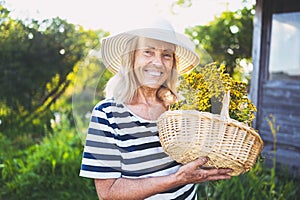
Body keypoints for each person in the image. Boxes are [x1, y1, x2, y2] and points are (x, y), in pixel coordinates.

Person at [79, 18, 232, 200]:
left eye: (166, 55)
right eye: (148, 52)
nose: (158, 63)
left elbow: (195, 157)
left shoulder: (180, 108)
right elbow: (108, 192)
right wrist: (175, 179)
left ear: (173, 63)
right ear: (131, 58)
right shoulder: (106, 114)